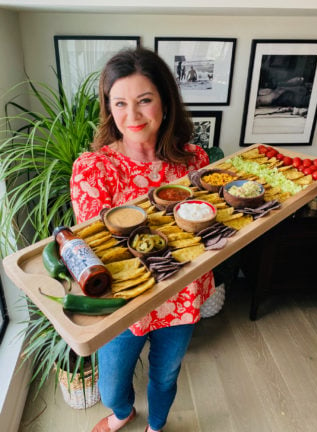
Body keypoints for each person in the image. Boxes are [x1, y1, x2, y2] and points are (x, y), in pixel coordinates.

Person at [70, 47, 215, 432]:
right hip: (123, 301)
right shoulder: (95, 168)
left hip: (180, 296)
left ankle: (156, 426)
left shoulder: (194, 161)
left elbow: (209, 230)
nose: (131, 116)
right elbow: (96, 248)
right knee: (111, 386)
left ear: (165, 103)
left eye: (144, 100)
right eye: (120, 103)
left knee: (166, 376)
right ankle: (122, 413)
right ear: (109, 108)